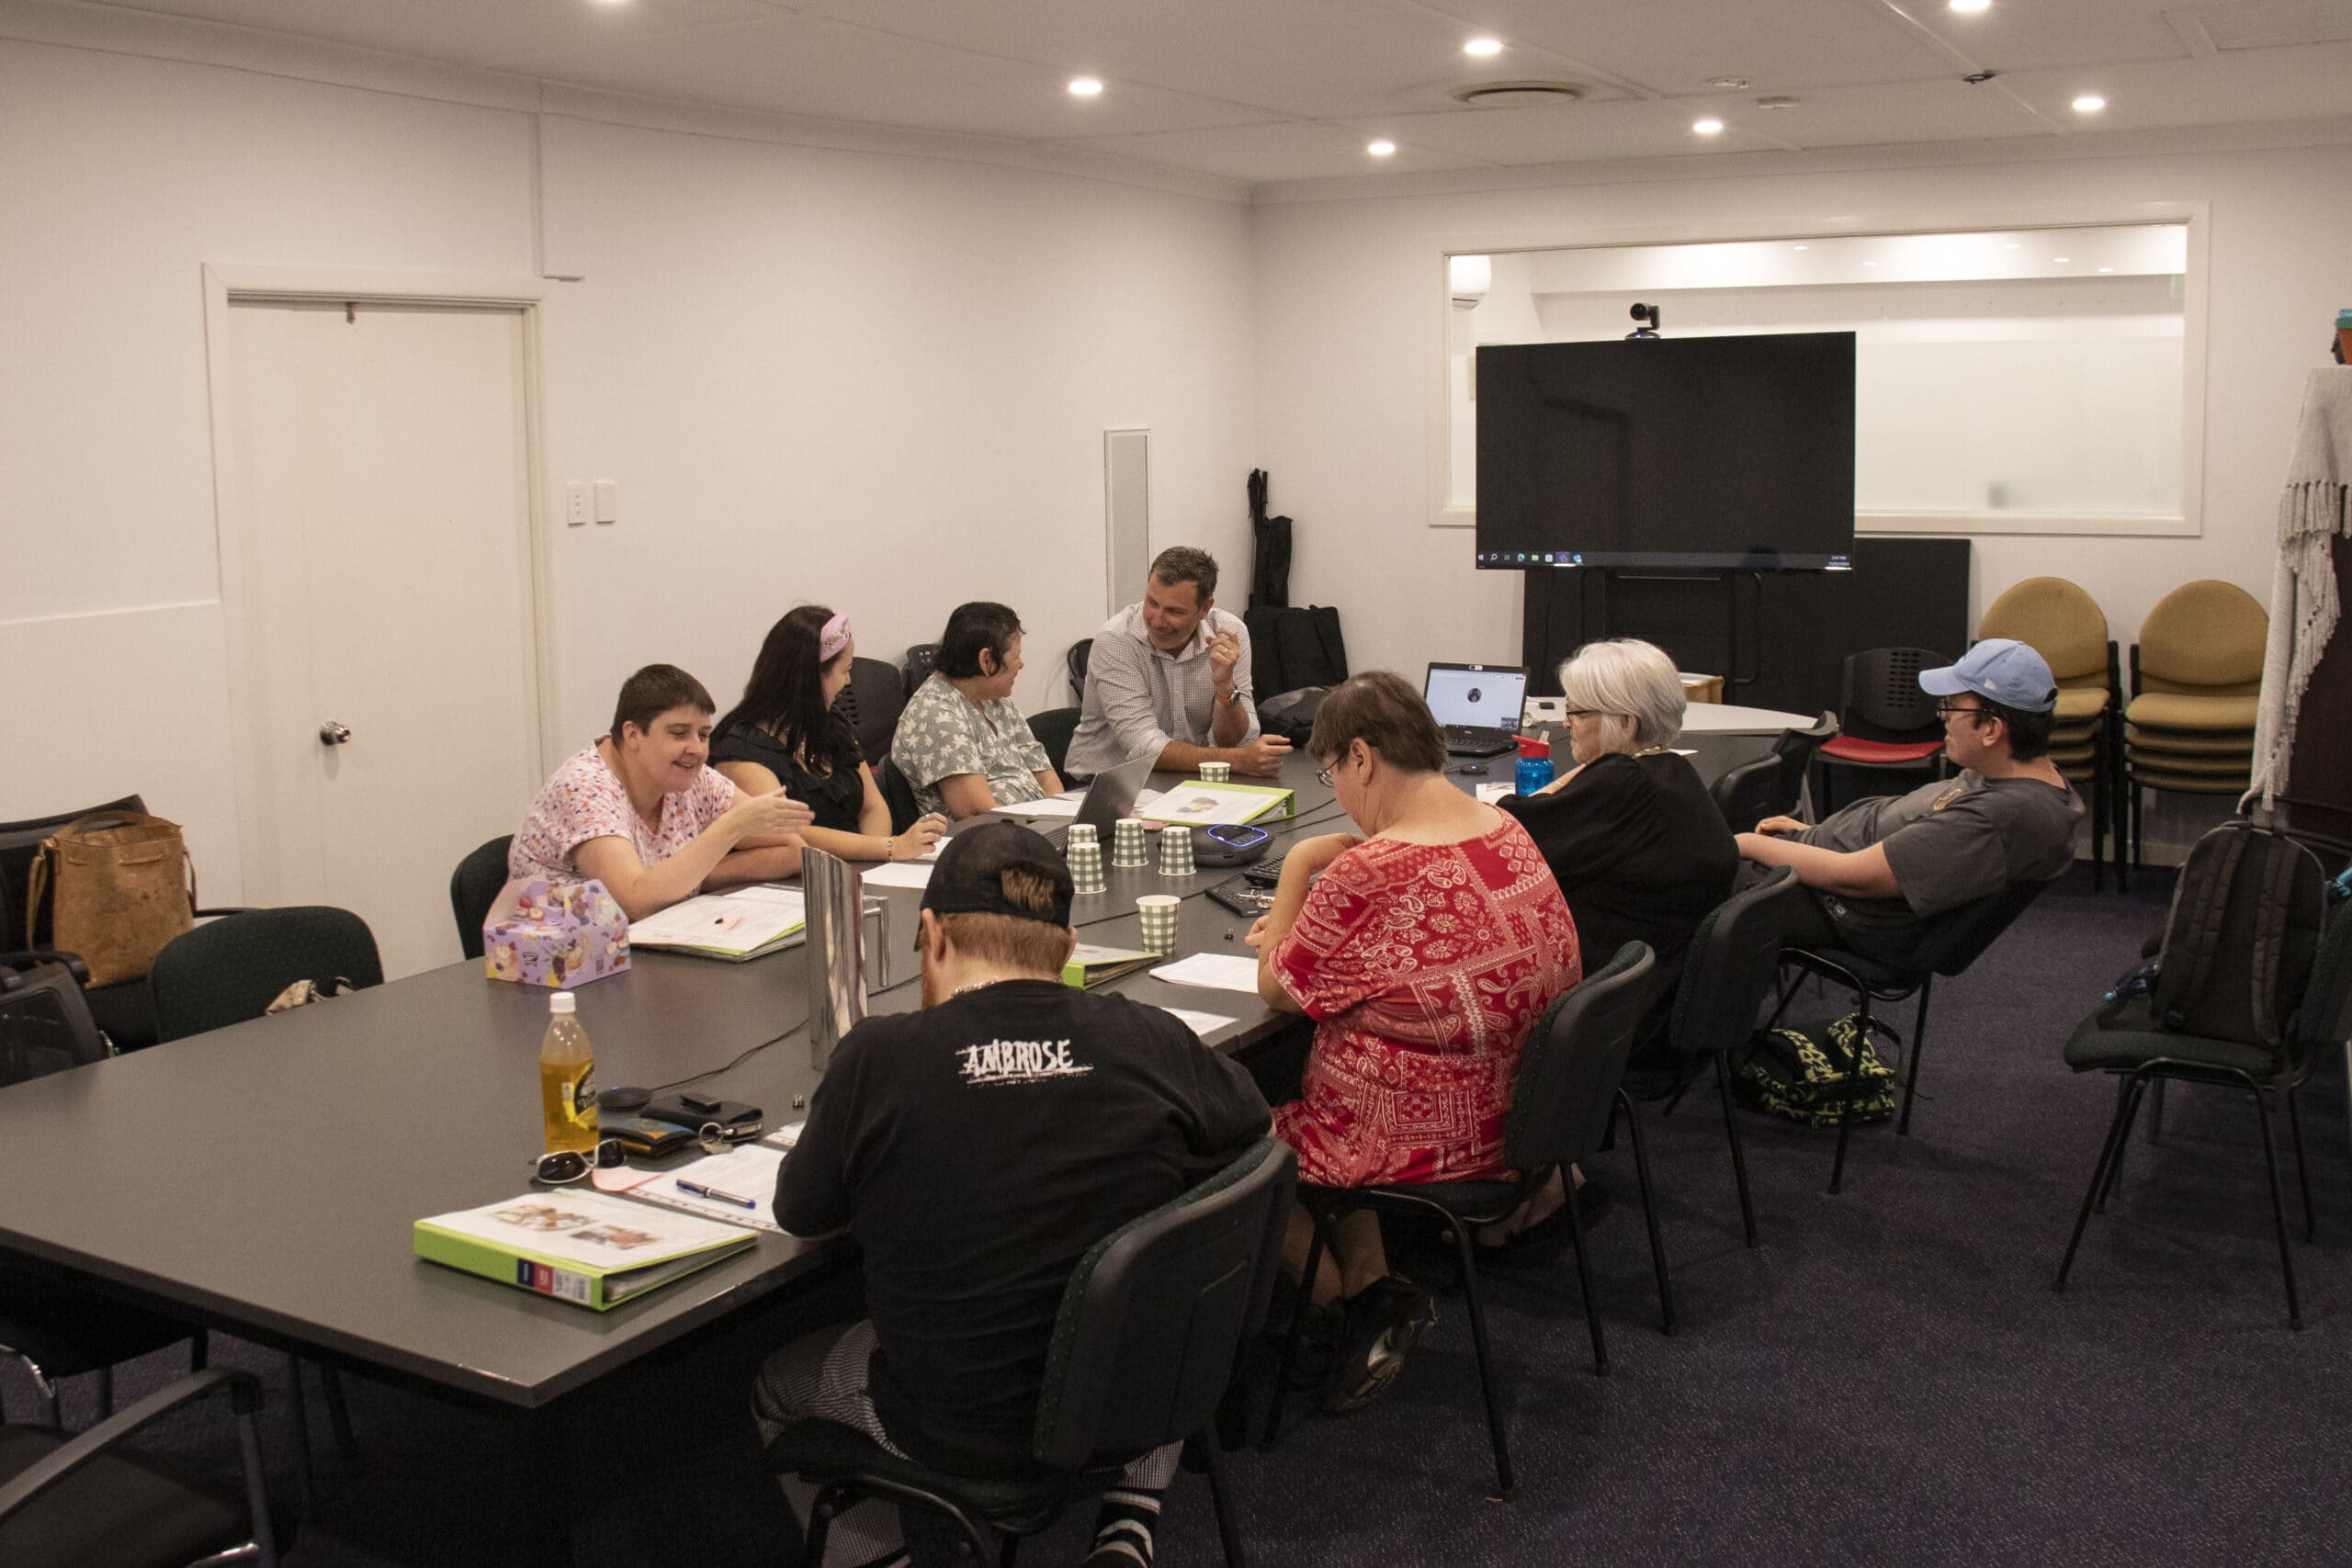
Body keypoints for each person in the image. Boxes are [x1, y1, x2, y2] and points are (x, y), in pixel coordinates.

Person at [754, 822, 1268, 1568]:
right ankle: (1127, 1526)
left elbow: (802, 1212)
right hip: (1137, 1397)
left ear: (930, 936)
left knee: (777, 1383)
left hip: (958, 1426)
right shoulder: (1150, 1036)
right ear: (1066, 944)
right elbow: (1251, 1132)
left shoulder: (878, 1057)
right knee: (1158, 1305)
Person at [1244, 671, 1579, 1411]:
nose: (1340, 792)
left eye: (1333, 772)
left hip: (1423, 1132)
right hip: (1517, 1104)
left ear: (1360, 757)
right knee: (1329, 1070)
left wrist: (1301, 864)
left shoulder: (1370, 869)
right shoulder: (1504, 826)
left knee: (1234, 1135)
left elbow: (1276, 988)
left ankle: (1340, 1310)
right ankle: (1375, 1285)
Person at [1736, 637, 2085, 964]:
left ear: (1992, 729)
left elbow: (1851, 876)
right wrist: (1811, 833)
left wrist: (1747, 844)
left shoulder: (1998, 817)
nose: (1941, 715)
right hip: (1827, 866)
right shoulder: (2009, 773)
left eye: (1953, 704)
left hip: (1836, 904)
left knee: (1696, 881)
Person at [1500, 639, 1737, 1057]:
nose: (1566, 724)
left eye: (1576, 712)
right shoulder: (1672, 771)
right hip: (1660, 992)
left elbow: (1509, 838)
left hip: (1612, 1011)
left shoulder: (1623, 784)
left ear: (1625, 723)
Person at [508, 663, 815, 920]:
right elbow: (634, 900)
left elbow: (793, 851)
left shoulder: (691, 776)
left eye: (704, 734)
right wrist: (731, 828)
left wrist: (692, 876)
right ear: (632, 734)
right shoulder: (584, 786)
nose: (696, 748)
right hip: (561, 968)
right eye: (679, 733)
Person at [710, 607, 946, 863]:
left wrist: (877, 857)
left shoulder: (831, 722)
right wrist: (888, 848)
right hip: (795, 880)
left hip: (855, 865)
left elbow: (872, 806)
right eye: (845, 671)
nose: (847, 682)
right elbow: (786, 833)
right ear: (811, 679)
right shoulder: (742, 750)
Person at [1064, 546, 1291, 779]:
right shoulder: (1117, 639)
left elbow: (1238, 741)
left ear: (1204, 608)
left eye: (1174, 611)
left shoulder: (1229, 633)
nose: (1157, 620)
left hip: (1187, 778)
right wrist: (1239, 761)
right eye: (1151, 602)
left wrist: (1225, 689)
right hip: (1105, 784)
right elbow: (1144, 748)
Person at [891, 602, 1063, 819]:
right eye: (1016, 656)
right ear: (986, 660)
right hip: (987, 841)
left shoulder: (995, 699)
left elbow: (1045, 777)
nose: (1021, 664)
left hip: (1035, 828)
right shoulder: (936, 714)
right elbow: (977, 813)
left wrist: (1062, 822)